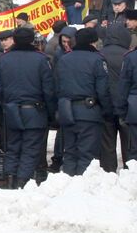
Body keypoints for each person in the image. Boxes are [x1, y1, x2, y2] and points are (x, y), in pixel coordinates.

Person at [0, 28, 55, 188]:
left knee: (13, 147)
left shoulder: (5, 59)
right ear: (32, 40)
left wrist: (3, 106)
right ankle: (22, 181)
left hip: (11, 109)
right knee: (30, 148)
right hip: (34, 110)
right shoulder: (41, 59)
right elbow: (48, 89)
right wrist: (51, 112)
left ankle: (9, 179)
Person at [55, 27, 112, 176]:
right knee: (87, 154)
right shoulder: (98, 59)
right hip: (89, 112)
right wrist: (107, 111)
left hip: (67, 111)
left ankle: (68, 185)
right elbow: (102, 90)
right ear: (93, 42)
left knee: (70, 153)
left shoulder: (64, 59)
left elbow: (56, 86)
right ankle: (82, 190)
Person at [98, 23, 131, 171]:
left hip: (106, 106)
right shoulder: (128, 55)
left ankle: (108, 171)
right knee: (129, 142)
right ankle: (129, 170)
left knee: (107, 143)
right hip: (126, 106)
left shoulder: (99, 54)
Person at [117, 45, 137, 159]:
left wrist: (121, 111)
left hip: (135, 108)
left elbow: (123, 87)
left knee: (134, 149)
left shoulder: (131, 57)